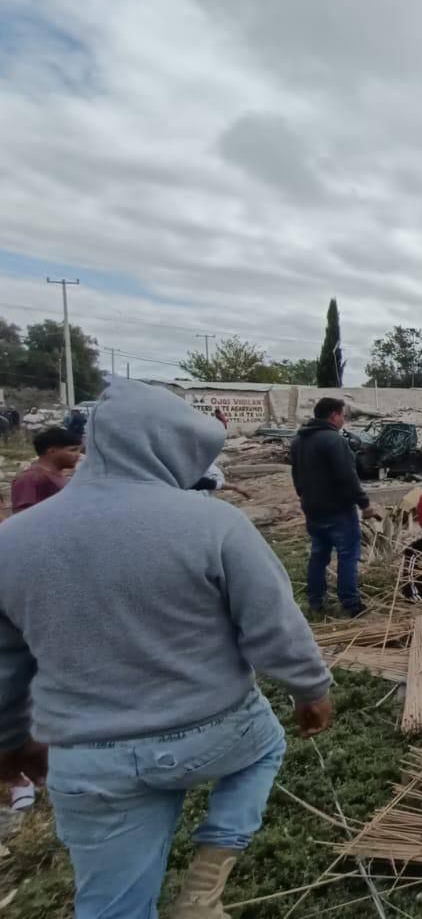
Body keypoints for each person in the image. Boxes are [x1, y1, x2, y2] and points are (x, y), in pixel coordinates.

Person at [0, 379, 333, 919]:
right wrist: (310, 689)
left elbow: (7, 661)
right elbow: (272, 624)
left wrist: (12, 740)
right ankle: (204, 889)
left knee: (112, 905)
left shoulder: (13, 541)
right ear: (171, 446)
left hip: (85, 754)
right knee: (267, 742)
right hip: (210, 730)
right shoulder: (213, 523)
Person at [290, 398, 377, 617]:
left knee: (318, 556)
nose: (344, 420)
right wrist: (364, 503)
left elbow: (296, 476)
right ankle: (350, 603)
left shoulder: (299, 440)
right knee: (348, 556)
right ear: (333, 416)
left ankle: (316, 601)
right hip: (338, 510)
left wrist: (305, 497)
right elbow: (348, 476)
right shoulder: (333, 440)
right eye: (342, 415)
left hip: (312, 508)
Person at [11, 426, 80, 514]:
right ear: (52, 452)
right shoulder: (29, 479)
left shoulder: (60, 474)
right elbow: (22, 517)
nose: (78, 455)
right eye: (73, 450)